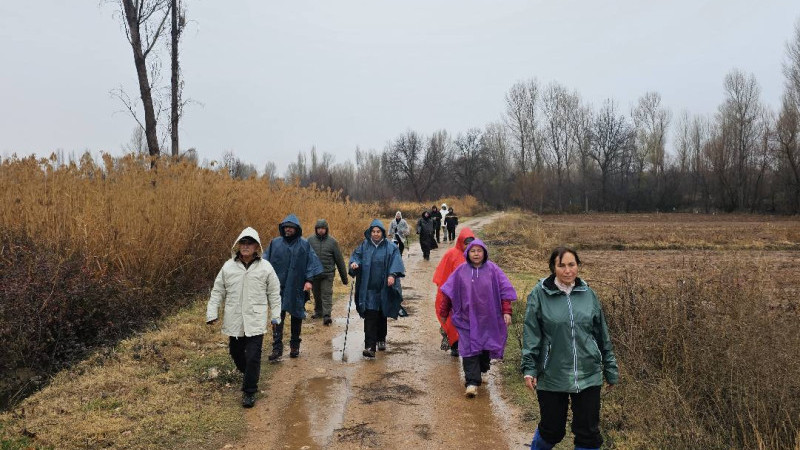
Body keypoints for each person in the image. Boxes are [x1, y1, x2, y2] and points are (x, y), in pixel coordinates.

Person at [522, 247, 619, 450]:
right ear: (553, 268)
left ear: (578, 266)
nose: (567, 270)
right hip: (552, 373)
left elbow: (602, 334)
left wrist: (610, 368)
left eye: (572, 265)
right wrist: (530, 368)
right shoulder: (539, 294)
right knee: (552, 431)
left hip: (588, 373)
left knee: (589, 434)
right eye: (562, 265)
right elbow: (532, 335)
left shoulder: (588, 294)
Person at [206, 227, 281, 408]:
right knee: (236, 353)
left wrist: (276, 316)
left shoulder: (266, 268)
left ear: (257, 247)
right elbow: (218, 291)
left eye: (250, 243)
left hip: (256, 318)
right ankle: (250, 374)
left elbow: (274, 293)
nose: (246, 247)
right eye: (243, 243)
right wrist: (212, 312)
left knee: (254, 356)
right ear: (238, 246)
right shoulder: (228, 267)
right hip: (235, 319)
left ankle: (249, 391)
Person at [439, 238, 517, 398]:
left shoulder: (493, 270)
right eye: (473, 251)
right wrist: (444, 312)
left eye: (479, 251)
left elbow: (504, 290)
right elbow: (448, 292)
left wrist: (506, 311)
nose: (476, 254)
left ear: (484, 252)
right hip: (466, 318)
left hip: (488, 319)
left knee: (484, 348)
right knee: (468, 349)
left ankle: (483, 369)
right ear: (468, 253)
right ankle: (472, 382)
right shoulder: (460, 271)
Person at [264, 214, 323, 361]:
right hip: (278, 288)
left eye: (291, 227)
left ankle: (295, 345)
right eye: (286, 227)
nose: (288, 229)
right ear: (282, 228)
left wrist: (309, 280)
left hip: (298, 287)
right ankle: (277, 348)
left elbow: (312, 263)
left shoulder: (304, 244)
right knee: (277, 318)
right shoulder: (274, 243)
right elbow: (264, 261)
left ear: (296, 229)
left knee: (297, 316)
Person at [348, 219, 405, 359]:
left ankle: (381, 338)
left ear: (382, 233)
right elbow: (356, 257)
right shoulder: (364, 246)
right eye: (373, 231)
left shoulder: (390, 247)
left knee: (381, 315)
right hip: (369, 290)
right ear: (370, 232)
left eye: (378, 231)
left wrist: (392, 275)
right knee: (370, 316)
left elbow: (396, 261)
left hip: (384, 288)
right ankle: (370, 346)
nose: (375, 234)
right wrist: (354, 264)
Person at [432, 227, 476, 357]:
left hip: (469, 296)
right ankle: (454, 345)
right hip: (453, 295)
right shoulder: (451, 254)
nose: (468, 245)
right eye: (466, 242)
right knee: (452, 321)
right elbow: (443, 274)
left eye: (470, 242)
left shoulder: (476, 254)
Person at [308, 219, 349, 326]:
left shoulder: (332, 242)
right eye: (319, 229)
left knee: (326, 294)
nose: (321, 230)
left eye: (323, 229)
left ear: (326, 229)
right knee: (316, 294)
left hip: (328, 274)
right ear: (316, 229)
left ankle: (327, 315)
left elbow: (339, 260)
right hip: (314, 274)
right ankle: (319, 312)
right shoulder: (310, 241)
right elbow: (305, 258)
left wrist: (344, 278)